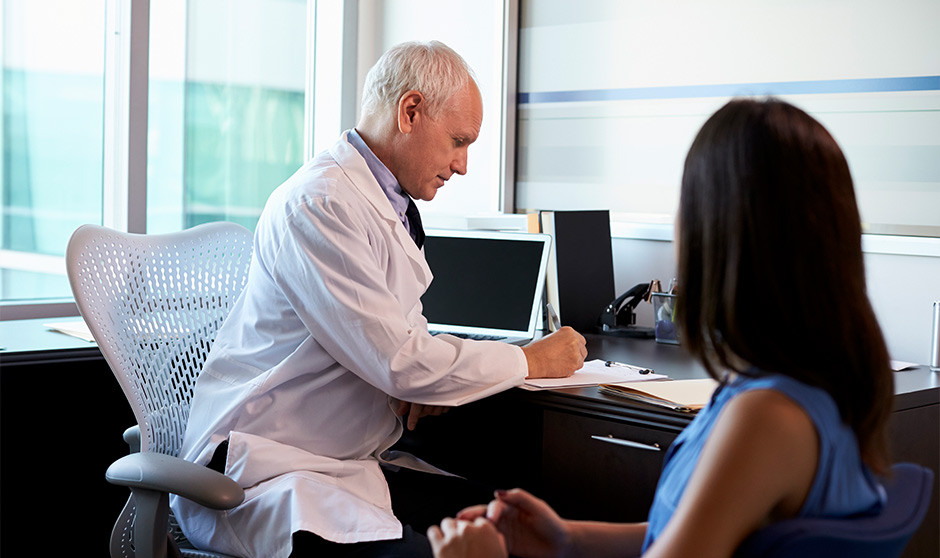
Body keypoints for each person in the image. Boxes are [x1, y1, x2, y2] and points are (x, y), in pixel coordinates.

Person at [427, 97, 895, 558]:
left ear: (720, 234)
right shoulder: (818, 386)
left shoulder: (765, 419)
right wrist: (569, 540)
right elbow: (701, 532)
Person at [171, 40, 587, 558]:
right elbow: (398, 359)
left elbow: (395, 344)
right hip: (263, 472)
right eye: (458, 141)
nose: (462, 165)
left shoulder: (382, 203)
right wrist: (529, 359)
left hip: (337, 461)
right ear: (410, 111)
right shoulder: (320, 203)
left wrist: (415, 382)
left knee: (509, 524)